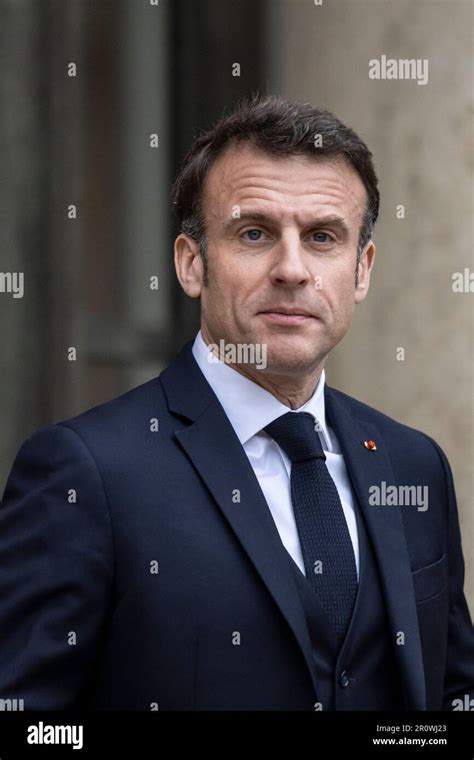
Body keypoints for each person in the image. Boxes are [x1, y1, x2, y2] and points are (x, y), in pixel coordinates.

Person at [1, 95, 473, 711]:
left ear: (362, 270)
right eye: (254, 233)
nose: (292, 269)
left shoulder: (414, 466)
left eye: (323, 237)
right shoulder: (84, 473)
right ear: (191, 263)